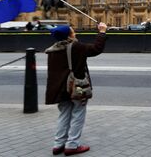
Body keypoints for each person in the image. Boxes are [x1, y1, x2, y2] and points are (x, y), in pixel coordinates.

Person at [44, 23, 107, 156]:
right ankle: (72, 145)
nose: (75, 33)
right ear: (69, 35)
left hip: (60, 89)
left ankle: (58, 144)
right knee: (78, 113)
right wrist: (102, 32)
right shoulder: (75, 47)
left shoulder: (52, 50)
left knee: (64, 114)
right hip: (76, 87)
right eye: (73, 32)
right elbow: (96, 49)